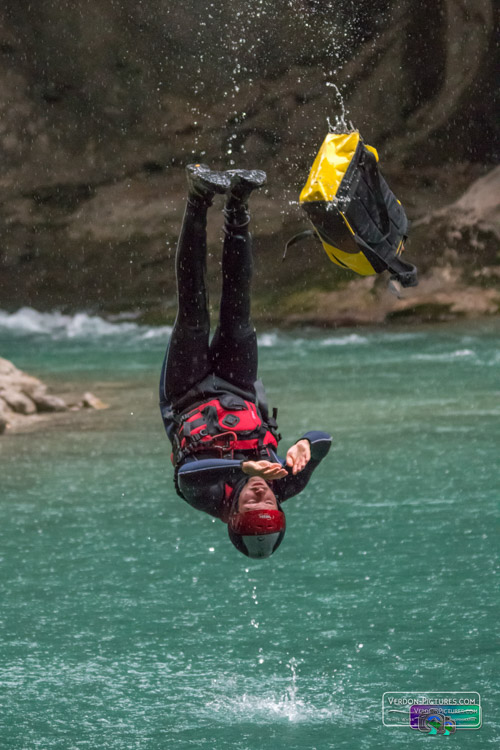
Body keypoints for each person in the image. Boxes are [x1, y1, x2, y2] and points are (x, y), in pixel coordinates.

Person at [159, 164, 331, 558]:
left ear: (232, 514)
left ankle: (199, 195)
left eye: (251, 505)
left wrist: (245, 468)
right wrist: (306, 444)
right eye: (268, 504)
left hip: (186, 394)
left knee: (194, 313)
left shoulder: (202, 495)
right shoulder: (286, 482)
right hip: (238, 389)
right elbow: (324, 442)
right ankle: (237, 204)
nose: (260, 496)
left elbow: (189, 472)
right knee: (238, 313)